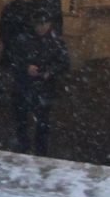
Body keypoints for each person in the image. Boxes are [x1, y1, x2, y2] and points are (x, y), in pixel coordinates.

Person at [5, 12, 68, 155]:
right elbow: (12, 59)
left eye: (44, 24)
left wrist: (50, 72)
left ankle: (38, 150)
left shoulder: (55, 42)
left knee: (42, 122)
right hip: (25, 86)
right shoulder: (25, 40)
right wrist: (26, 68)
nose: (41, 28)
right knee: (23, 120)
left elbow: (64, 63)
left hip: (43, 88)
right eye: (39, 24)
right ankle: (24, 146)